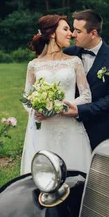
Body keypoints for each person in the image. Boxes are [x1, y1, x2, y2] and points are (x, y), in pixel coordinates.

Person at [20, 15, 93, 175]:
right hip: (43, 129)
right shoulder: (34, 65)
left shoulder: (74, 61)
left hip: (69, 126)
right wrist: (37, 109)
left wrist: (57, 107)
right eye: (65, 29)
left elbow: (86, 95)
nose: (71, 34)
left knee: (74, 174)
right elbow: (27, 97)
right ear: (52, 34)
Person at [62, 9, 109, 150]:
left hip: (101, 130)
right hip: (70, 128)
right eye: (74, 30)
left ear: (93, 33)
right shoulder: (68, 54)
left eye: (78, 31)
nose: (73, 34)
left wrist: (80, 110)